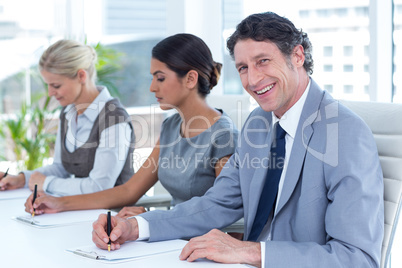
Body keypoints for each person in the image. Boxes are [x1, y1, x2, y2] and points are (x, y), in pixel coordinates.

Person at [92, 12, 384, 268]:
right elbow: (217, 204)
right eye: (243, 67)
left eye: (263, 61)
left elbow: (356, 258)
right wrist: (134, 227)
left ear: (297, 56)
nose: (253, 80)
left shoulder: (345, 133)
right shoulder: (258, 123)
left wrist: (250, 252)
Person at [24, 33, 238, 217]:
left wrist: (153, 219)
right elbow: (129, 191)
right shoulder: (171, 127)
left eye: (160, 78)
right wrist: (58, 203)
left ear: (190, 79)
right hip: (173, 238)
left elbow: (222, 213)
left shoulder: (222, 137)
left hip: (198, 246)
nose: (152, 88)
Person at [0, 39, 135, 196]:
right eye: (48, 85)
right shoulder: (67, 112)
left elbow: (99, 187)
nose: (50, 93)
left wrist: (46, 183)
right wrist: (21, 179)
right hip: (78, 209)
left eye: (56, 86)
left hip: (113, 215)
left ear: (81, 76)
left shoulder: (114, 118)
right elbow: (60, 167)